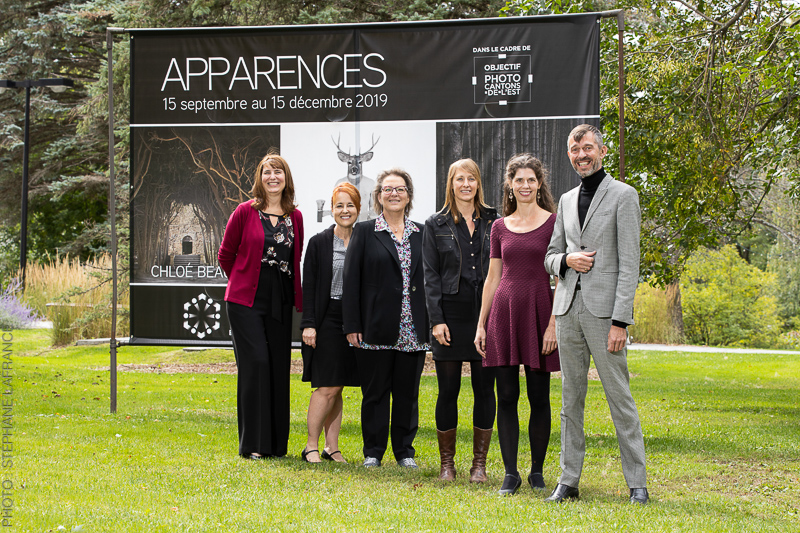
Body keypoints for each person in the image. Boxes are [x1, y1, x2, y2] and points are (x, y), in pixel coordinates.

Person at [544, 124, 648, 504]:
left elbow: (629, 262)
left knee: (619, 399)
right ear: (569, 155)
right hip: (568, 310)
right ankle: (568, 481)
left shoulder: (624, 195)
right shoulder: (567, 200)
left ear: (601, 151)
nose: (581, 155)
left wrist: (621, 320)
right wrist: (567, 260)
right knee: (571, 399)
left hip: (607, 317)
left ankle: (637, 483)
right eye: (575, 149)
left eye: (588, 148)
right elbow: (549, 256)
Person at [475, 153, 560, 496]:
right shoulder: (498, 226)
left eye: (531, 180)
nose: (525, 186)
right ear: (509, 185)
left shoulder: (555, 222)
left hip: (541, 313)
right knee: (506, 396)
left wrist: (554, 325)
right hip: (504, 314)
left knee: (539, 397)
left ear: (539, 184)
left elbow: (562, 276)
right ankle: (510, 474)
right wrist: (481, 324)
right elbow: (493, 276)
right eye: (519, 180)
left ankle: (537, 471)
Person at [218, 153, 304, 459]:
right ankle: (252, 445)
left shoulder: (295, 216)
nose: (273, 177)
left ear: (285, 178)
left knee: (279, 368)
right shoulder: (244, 212)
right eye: (267, 172)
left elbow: (295, 258)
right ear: (260, 178)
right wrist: (242, 280)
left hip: (279, 299)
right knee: (255, 364)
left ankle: (276, 446)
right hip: (245, 300)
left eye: (278, 172)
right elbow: (225, 255)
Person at [342, 168, 430, 468]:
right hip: (374, 327)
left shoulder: (422, 233)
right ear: (378, 196)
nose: (394, 194)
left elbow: (429, 279)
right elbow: (351, 279)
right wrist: (352, 324)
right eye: (388, 189)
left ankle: (405, 452)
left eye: (401, 189)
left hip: (413, 327)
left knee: (407, 394)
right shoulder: (365, 232)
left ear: (409, 196)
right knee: (375, 393)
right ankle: (373, 452)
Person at [422, 158, 498, 483]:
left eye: (471, 179)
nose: (465, 184)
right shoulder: (435, 224)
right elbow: (430, 276)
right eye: (459, 179)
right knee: (448, 390)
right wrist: (436, 320)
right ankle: (447, 465)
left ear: (478, 183)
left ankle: (479, 465)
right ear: (450, 184)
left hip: (486, 315)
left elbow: (501, 270)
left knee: (484, 390)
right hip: (450, 316)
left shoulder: (495, 220)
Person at [300, 183, 361, 463]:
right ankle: (311, 445)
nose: (344, 210)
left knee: (339, 386)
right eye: (339, 205)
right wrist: (309, 324)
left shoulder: (364, 240)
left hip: (354, 320)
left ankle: (331, 447)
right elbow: (309, 286)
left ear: (358, 208)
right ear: (331, 210)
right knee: (326, 385)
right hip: (326, 319)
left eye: (350, 205)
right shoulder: (319, 243)